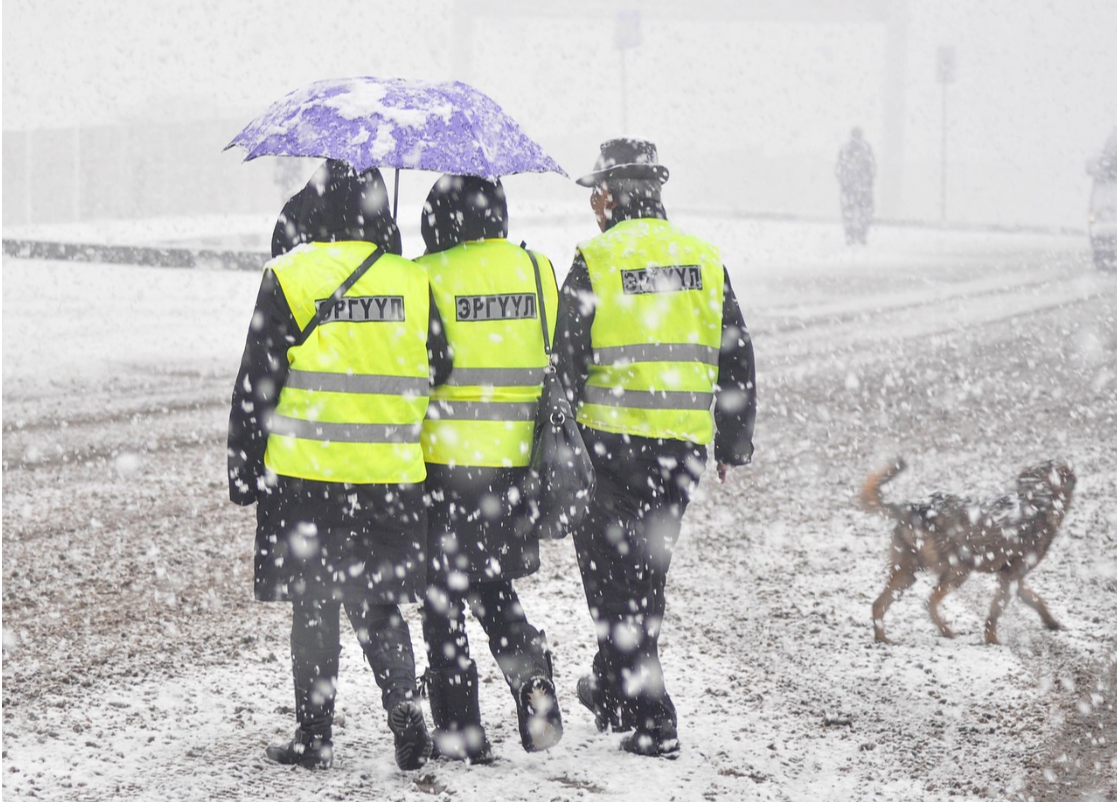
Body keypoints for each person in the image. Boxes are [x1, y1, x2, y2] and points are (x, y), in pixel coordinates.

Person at [227, 160, 451, 771]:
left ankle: (314, 735)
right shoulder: (410, 280)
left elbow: (257, 383)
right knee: (376, 598)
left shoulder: (290, 275)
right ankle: (404, 702)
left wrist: (243, 468)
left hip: (307, 477)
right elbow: (443, 366)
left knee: (315, 602)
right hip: (389, 475)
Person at [554, 139, 756, 758]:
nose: (593, 205)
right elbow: (735, 353)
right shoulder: (702, 258)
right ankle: (614, 691)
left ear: (613, 194)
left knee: (613, 582)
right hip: (681, 451)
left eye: (597, 193)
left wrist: (555, 436)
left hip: (611, 448)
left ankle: (654, 714)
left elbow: (565, 358)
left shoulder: (597, 258)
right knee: (646, 575)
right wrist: (730, 440)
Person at [414, 174, 563, 763]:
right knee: (491, 581)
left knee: (443, 597)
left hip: (442, 463)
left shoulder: (426, 274)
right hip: (514, 466)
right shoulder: (536, 270)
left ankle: (459, 727)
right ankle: (530, 677)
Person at [835, 127, 876, 245]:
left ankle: (852, 236)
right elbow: (872, 168)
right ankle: (860, 235)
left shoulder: (845, 150)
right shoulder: (866, 150)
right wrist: (868, 182)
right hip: (861, 188)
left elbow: (839, 169)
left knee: (849, 213)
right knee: (864, 213)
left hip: (850, 188)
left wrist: (844, 182)